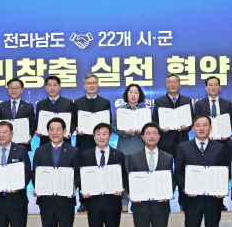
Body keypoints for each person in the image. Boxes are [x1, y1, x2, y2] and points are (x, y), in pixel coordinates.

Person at [175, 115, 227, 227]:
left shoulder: (219, 147)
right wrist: (185, 187)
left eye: (205, 125)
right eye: (198, 125)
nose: (202, 128)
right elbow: (178, 173)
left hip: (213, 199)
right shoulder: (183, 147)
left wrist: (222, 188)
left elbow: (224, 171)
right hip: (192, 199)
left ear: (211, 128)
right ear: (193, 128)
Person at [32, 117, 80, 227]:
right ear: (47, 132)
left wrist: (74, 186)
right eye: (51, 129)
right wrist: (37, 187)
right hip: (46, 200)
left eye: (58, 129)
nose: (55, 132)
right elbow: (35, 173)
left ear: (65, 132)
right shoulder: (40, 151)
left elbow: (78, 174)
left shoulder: (73, 151)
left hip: (65, 200)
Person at [80, 123, 128, 227]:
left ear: (110, 136)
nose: (101, 137)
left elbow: (124, 177)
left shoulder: (118, 154)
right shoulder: (85, 155)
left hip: (112, 202)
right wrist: (83, 192)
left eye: (104, 134)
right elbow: (81, 178)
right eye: (98, 134)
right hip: (93, 203)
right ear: (94, 137)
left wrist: (121, 188)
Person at [127, 122, 174, 227]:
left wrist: (168, 193)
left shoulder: (168, 157)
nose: (152, 136)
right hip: (141, 204)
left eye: (155, 133)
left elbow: (171, 180)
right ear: (142, 137)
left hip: (160, 204)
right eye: (148, 133)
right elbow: (129, 180)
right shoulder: (133, 156)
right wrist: (132, 193)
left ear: (159, 137)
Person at [194, 76, 232, 211]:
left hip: (223, 143)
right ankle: (204, 197)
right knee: (206, 170)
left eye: (215, 85)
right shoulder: (200, 104)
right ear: (206, 88)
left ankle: (220, 200)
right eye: (210, 85)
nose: (213, 87)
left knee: (221, 171)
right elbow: (198, 122)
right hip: (205, 143)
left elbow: (231, 122)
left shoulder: (227, 103)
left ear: (220, 87)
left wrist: (227, 134)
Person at [74, 73, 112, 212]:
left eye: (94, 83)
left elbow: (108, 123)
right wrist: (77, 128)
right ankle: (83, 200)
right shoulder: (77, 102)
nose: (91, 85)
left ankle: (101, 196)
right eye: (88, 83)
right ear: (84, 86)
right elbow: (73, 123)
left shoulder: (105, 102)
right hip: (84, 142)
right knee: (84, 171)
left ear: (98, 85)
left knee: (101, 169)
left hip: (101, 142)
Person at [111, 84, 149, 212]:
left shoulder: (144, 111)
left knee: (138, 176)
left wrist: (143, 131)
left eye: (136, 92)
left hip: (139, 147)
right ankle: (124, 202)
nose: (133, 95)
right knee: (124, 177)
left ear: (140, 95)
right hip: (124, 147)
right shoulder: (120, 110)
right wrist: (123, 132)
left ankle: (138, 200)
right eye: (131, 92)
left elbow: (150, 129)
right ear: (127, 95)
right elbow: (113, 126)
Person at [151, 73, 192, 159]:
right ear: (166, 85)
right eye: (170, 82)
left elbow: (192, 119)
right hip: (165, 140)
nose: (173, 84)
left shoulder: (187, 100)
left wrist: (187, 127)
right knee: (165, 168)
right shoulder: (159, 101)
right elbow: (154, 120)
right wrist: (160, 128)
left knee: (181, 168)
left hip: (182, 140)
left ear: (180, 85)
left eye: (175, 82)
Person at [35, 75, 76, 147]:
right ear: (45, 88)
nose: (52, 88)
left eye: (55, 85)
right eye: (49, 85)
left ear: (60, 87)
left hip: (64, 141)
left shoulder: (68, 103)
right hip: (45, 141)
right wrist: (38, 131)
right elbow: (37, 121)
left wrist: (69, 132)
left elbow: (73, 121)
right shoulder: (40, 104)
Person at [0, 78, 36, 152]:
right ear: (8, 90)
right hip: (5, 144)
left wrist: (28, 136)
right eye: (11, 88)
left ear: (22, 90)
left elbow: (32, 125)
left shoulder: (28, 106)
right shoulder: (1, 106)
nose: (13, 90)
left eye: (16, 88)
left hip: (23, 144)